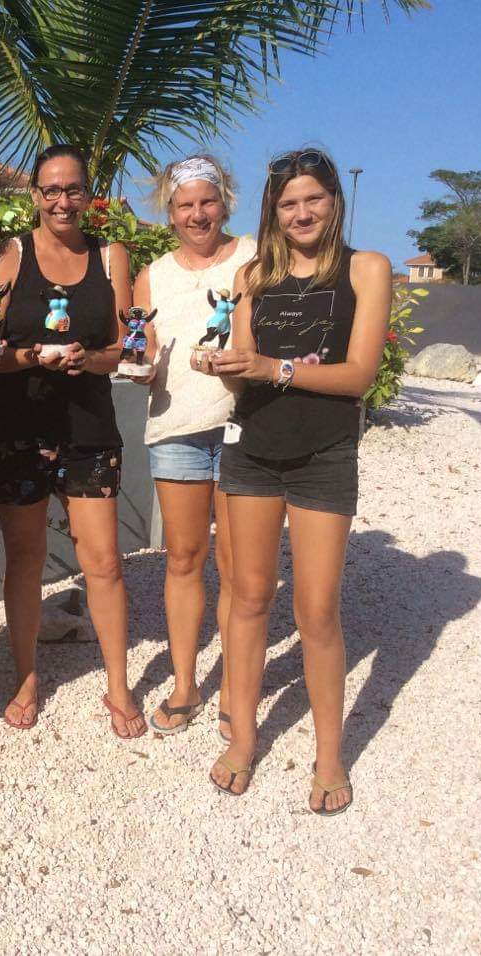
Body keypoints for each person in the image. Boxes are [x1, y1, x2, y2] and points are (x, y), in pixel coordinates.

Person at [200, 147, 391, 815]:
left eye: (314, 198)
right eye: (289, 203)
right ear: (272, 211)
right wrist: (221, 365)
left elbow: (359, 375)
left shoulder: (366, 269)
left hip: (324, 453)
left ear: (335, 201)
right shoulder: (252, 276)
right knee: (249, 598)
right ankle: (243, 738)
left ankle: (330, 755)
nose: (302, 212)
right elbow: (243, 366)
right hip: (253, 449)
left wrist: (271, 368)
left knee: (316, 610)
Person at [0, 144, 143, 738]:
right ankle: (26, 677)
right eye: (51, 190)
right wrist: (28, 357)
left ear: (88, 194)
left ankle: (118, 684)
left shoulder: (111, 255)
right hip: (18, 425)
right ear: (35, 195)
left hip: (88, 427)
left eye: (73, 189)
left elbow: (127, 348)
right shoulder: (11, 254)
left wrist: (88, 359)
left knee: (104, 561)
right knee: (26, 559)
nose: (62, 201)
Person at [127, 155, 256, 740]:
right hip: (176, 427)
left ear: (224, 203)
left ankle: (233, 685)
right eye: (185, 205)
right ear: (170, 212)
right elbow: (143, 346)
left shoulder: (254, 258)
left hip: (242, 424)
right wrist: (137, 364)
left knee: (235, 564)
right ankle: (185, 683)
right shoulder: (152, 275)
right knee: (183, 558)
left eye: (207, 201)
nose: (197, 214)